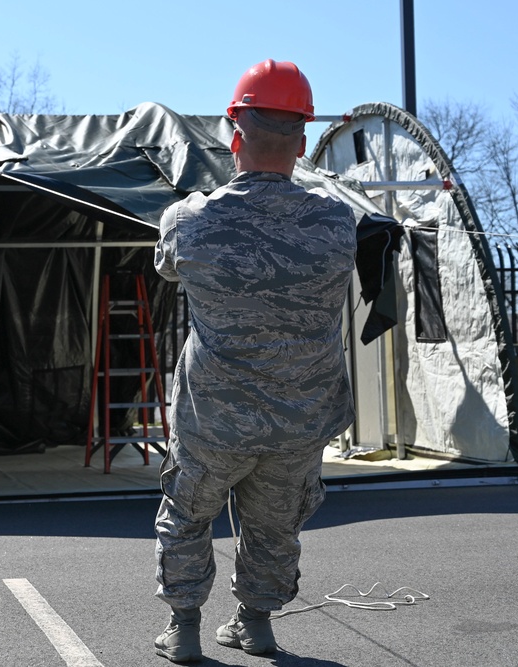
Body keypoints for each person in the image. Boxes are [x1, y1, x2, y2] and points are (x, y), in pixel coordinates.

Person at [152, 59, 357, 663]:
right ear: (301, 142)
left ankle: (184, 628)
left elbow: (167, 268)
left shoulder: (190, 220)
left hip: (214, 416)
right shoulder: (336, 221)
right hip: (300, 417)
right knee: (276, 525)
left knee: (188, 515)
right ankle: (256, 624)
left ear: (234, 135)